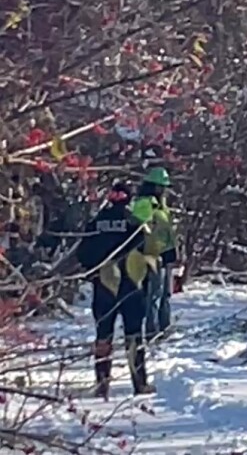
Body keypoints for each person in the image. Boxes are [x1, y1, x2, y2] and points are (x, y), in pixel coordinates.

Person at [76, 182, 154, 397]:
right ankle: (139, 383)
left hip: (104, 286)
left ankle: (102, 384)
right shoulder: (135, 223)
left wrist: (93, 271)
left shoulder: (96, 223)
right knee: (134, 335)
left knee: (103, 335)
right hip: (131, 287)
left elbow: (82, 254)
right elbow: (148, 252)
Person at [130, 167, 178, 340]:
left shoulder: (162, 207)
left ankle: (165, 328)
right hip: (151, 256)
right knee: (154, 294)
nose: (165, 190)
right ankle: (152, 331)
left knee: (166, 294)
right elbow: (139, 229)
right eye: (162, 187)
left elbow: (167, 233)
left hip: (165, 255)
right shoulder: (145, 204)